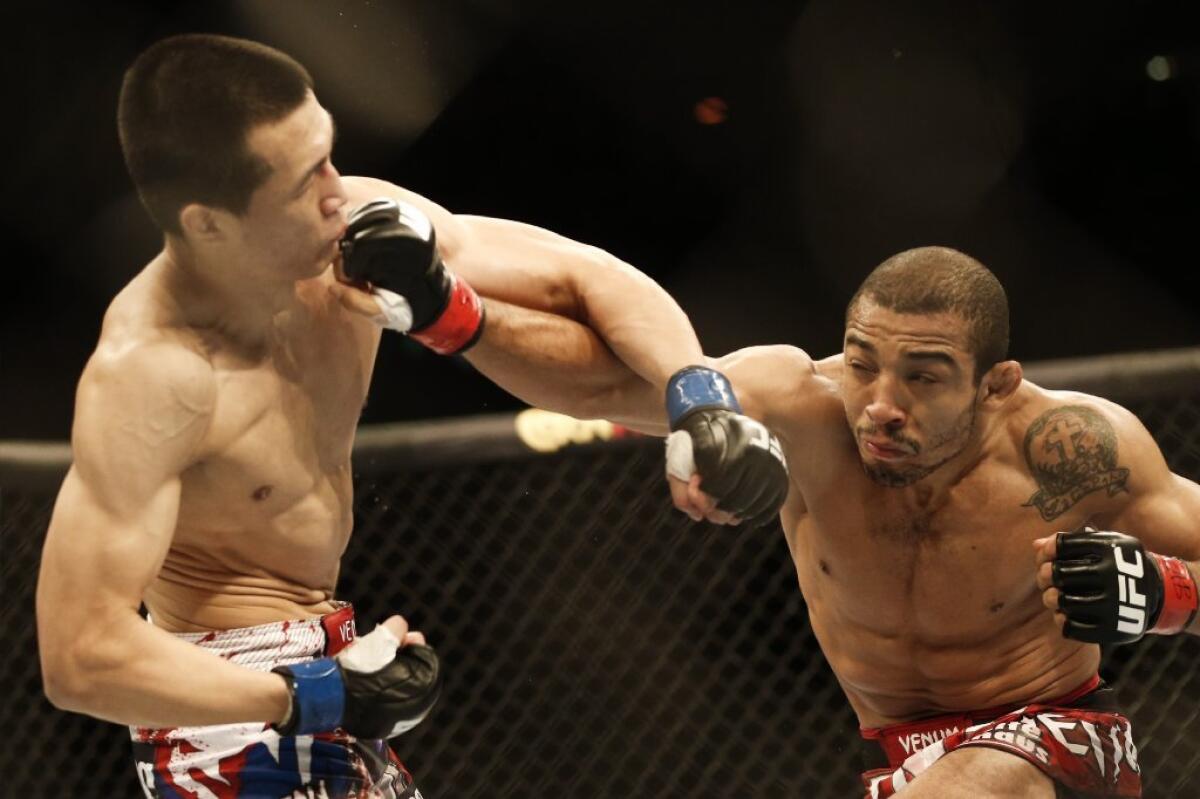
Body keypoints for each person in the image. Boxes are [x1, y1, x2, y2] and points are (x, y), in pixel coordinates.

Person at [34, 33, 787, 798]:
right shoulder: (154, 375)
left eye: (328, 154)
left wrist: (695, 394)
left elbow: (584, 275)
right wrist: (304, 695)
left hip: (322, 665)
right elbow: (81, 655)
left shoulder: (346, 236)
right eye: (303, 181)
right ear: (209, 225)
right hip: (229, 714)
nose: (337, 189)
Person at [608, 245, 1197, 797]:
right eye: (863, 366)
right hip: (900, 758)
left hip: (1052, 734)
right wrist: (694, 407)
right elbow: (595, 383)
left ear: (995, 384)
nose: (882, 406)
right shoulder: (797, 405)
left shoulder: (1074, 448)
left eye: (924, 377)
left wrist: (1168, 592)